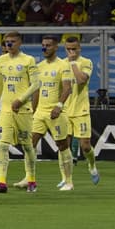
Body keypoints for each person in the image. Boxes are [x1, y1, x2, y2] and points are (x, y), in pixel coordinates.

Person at [13, 35, 70, 191]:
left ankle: (68, 181)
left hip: (56, 112)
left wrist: (59, 106)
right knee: (29, 144)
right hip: (40, 112)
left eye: (49, 45)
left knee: (62, 145)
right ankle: (28, 177)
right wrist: (33, 109)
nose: (45, 48)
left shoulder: (63, 65)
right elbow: (36, 90)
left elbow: (67, 88)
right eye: (43, 45)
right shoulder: (39, 66)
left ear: (56, 47)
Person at [0, 31, 37, 193]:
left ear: (20, 43)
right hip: (6, 110)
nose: (9, 44)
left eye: (12, 42)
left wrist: (21, 99)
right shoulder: (1, 61)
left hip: (23, 110)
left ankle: (31, 179)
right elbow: (0, 85)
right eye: (7, 42)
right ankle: (2, 182)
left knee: (27, 146)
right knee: (2, 145)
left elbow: (36, 84)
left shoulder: (28, 60)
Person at [62, 35, 101, 187]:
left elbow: (81, 80)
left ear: (80, 48)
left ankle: (92, 165)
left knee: (85, 146)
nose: (71, 52)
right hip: (64, 111)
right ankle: (67, 179)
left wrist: (72, 63)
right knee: (64, 145)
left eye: (74, 49)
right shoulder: (60, 64)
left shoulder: (86, 62)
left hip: (80, 110)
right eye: (68, 49)